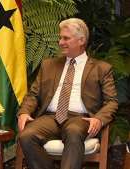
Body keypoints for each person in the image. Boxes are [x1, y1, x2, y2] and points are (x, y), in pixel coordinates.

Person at [18, 18, 118, 169]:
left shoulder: (101, 68)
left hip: (79, 119)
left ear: (81, 40)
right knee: (26, 136)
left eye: (66, 38)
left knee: (73, 131)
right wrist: (24, 112)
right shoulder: (48, 65)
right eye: (60, 38)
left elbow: (112, 101)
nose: (60, 42)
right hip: (50, 117)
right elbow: (33, 95)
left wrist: (99, 119)